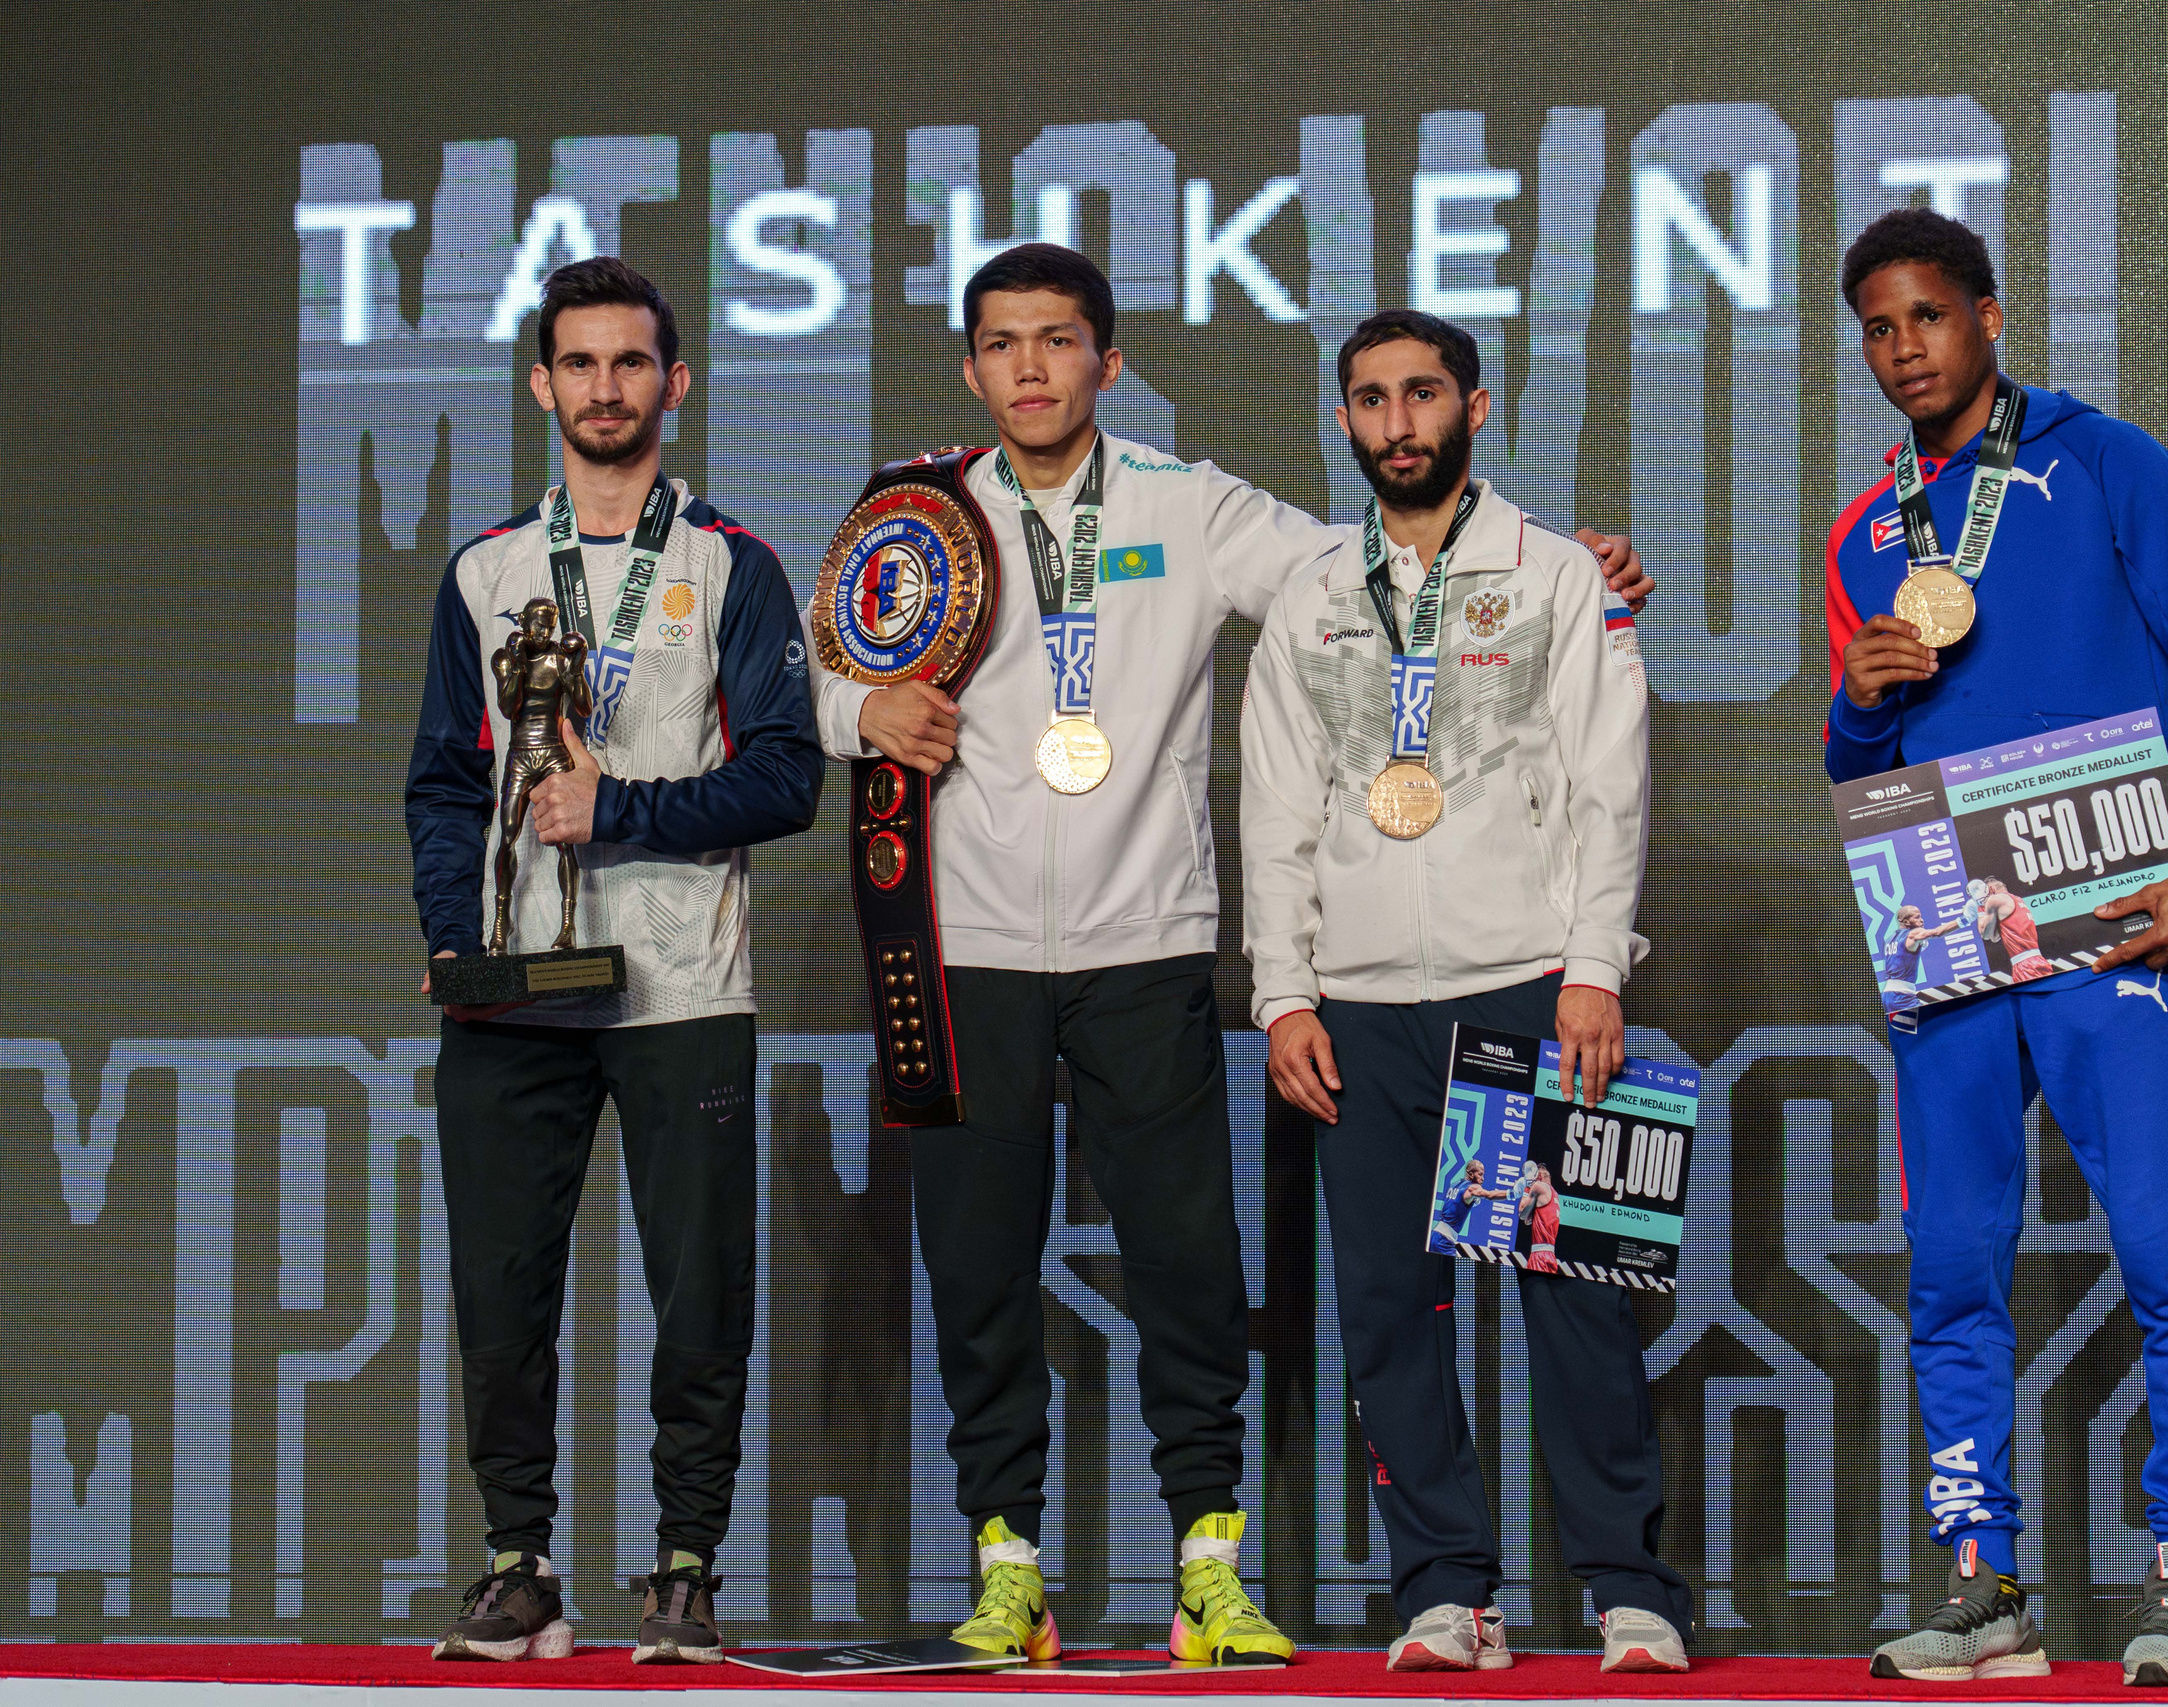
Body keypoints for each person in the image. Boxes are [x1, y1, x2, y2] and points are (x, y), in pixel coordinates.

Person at [809, 246, 1653, 1666]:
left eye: (1059, 340)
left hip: (1152, 951)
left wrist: (1569, 569)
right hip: (967, 950)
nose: (1030, 366)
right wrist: (860, 714)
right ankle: (1006, 1563)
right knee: (977, 1270)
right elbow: (811, 664)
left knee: (1192, 1271)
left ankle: (1210, 1567)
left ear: (1108, 360)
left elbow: (1376, 570)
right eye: (1003, 343)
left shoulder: (1188, 507)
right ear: (970, 367)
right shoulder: (919, 514)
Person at [1825, 209, 2168, 1687]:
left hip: (2114, 923)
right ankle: (1984, 1585)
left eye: (1929, 319)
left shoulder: (2104, 462)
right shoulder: (1862, 530)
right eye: (1880, 328)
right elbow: (1861, 763)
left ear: (1991, 317)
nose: (1905, 349)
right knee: (1953, 1268)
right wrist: (1862, 697)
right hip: (1952, 936)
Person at [1244, 307, 1693, 1675]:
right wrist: (1283, 995)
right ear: (1345, 420)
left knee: (1579, 1293)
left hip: (1531, 982)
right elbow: (1277, 805)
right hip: (1361, 1003)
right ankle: (1443, 1588)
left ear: (1475, 408)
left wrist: (1595, 966)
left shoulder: (1558, 573)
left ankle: (1631, 1588)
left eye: (1422, 394)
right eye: (1372, 399)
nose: (1398, 422)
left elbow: (1611, 787)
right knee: (1390, 1304)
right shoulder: (1311, 592)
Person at [406, 256, 823, 1665]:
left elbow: (787, 777)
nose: (604, 388)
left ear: (675, 382)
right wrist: (453, 935)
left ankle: (685, 1566)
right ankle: (518, 1562)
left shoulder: (734, 569)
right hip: (516, 983)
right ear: (542, 384)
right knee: (500, 1286)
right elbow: (444, 786)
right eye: (578, 364)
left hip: (680, 985)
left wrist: (626, 808)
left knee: (700, 1291)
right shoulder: (487, 572)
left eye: (630, 363)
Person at [1880, 904, 1961, 1014]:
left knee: (1908, 1030)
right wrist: (1964, 920)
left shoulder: (1890, 939)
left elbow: (1901, 958)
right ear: (1906, 922)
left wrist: (1919, 945)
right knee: (1933, 1023)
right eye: (1917, 917)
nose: (1921, 920)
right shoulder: (1913, 934)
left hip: (1888, 994)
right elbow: (1937, 932)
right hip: (1902, 996)